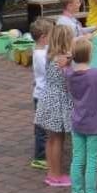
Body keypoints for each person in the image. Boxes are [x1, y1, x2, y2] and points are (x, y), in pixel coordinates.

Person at [65, 38, 97, 193]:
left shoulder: (69, 74)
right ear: (90, 55)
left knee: (77, 159)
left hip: (77, 122)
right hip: (94, 125)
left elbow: (66, 67)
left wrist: (69, 59)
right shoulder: (96, 74)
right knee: (92, 162)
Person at [34, 24, 75, 188]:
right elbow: (69, 80)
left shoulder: (50, 55)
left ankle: (51, 173)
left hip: (47, 98)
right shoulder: (63, 60)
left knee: (50, 139)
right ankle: (57, 175)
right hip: (58, 100)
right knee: (58, 139)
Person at [29, 18, 54, 170]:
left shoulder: (42, 49)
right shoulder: (40, 55)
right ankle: (40, 157)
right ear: (44, 37)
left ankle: (44, 154)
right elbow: (48, 72)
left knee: (43, 126)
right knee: (42, 129)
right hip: (43, 95)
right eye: (51, 34)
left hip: (43, 94)